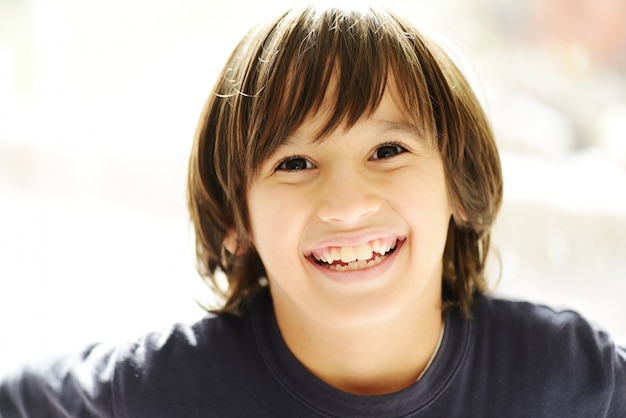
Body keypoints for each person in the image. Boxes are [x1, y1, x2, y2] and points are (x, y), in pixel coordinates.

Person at [1, 2, 624, 417]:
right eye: (294, 164)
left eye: (387, 149)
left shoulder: (569, 375)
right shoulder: (162, 388)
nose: (348, 204)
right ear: (237, 220)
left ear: (459, 185)